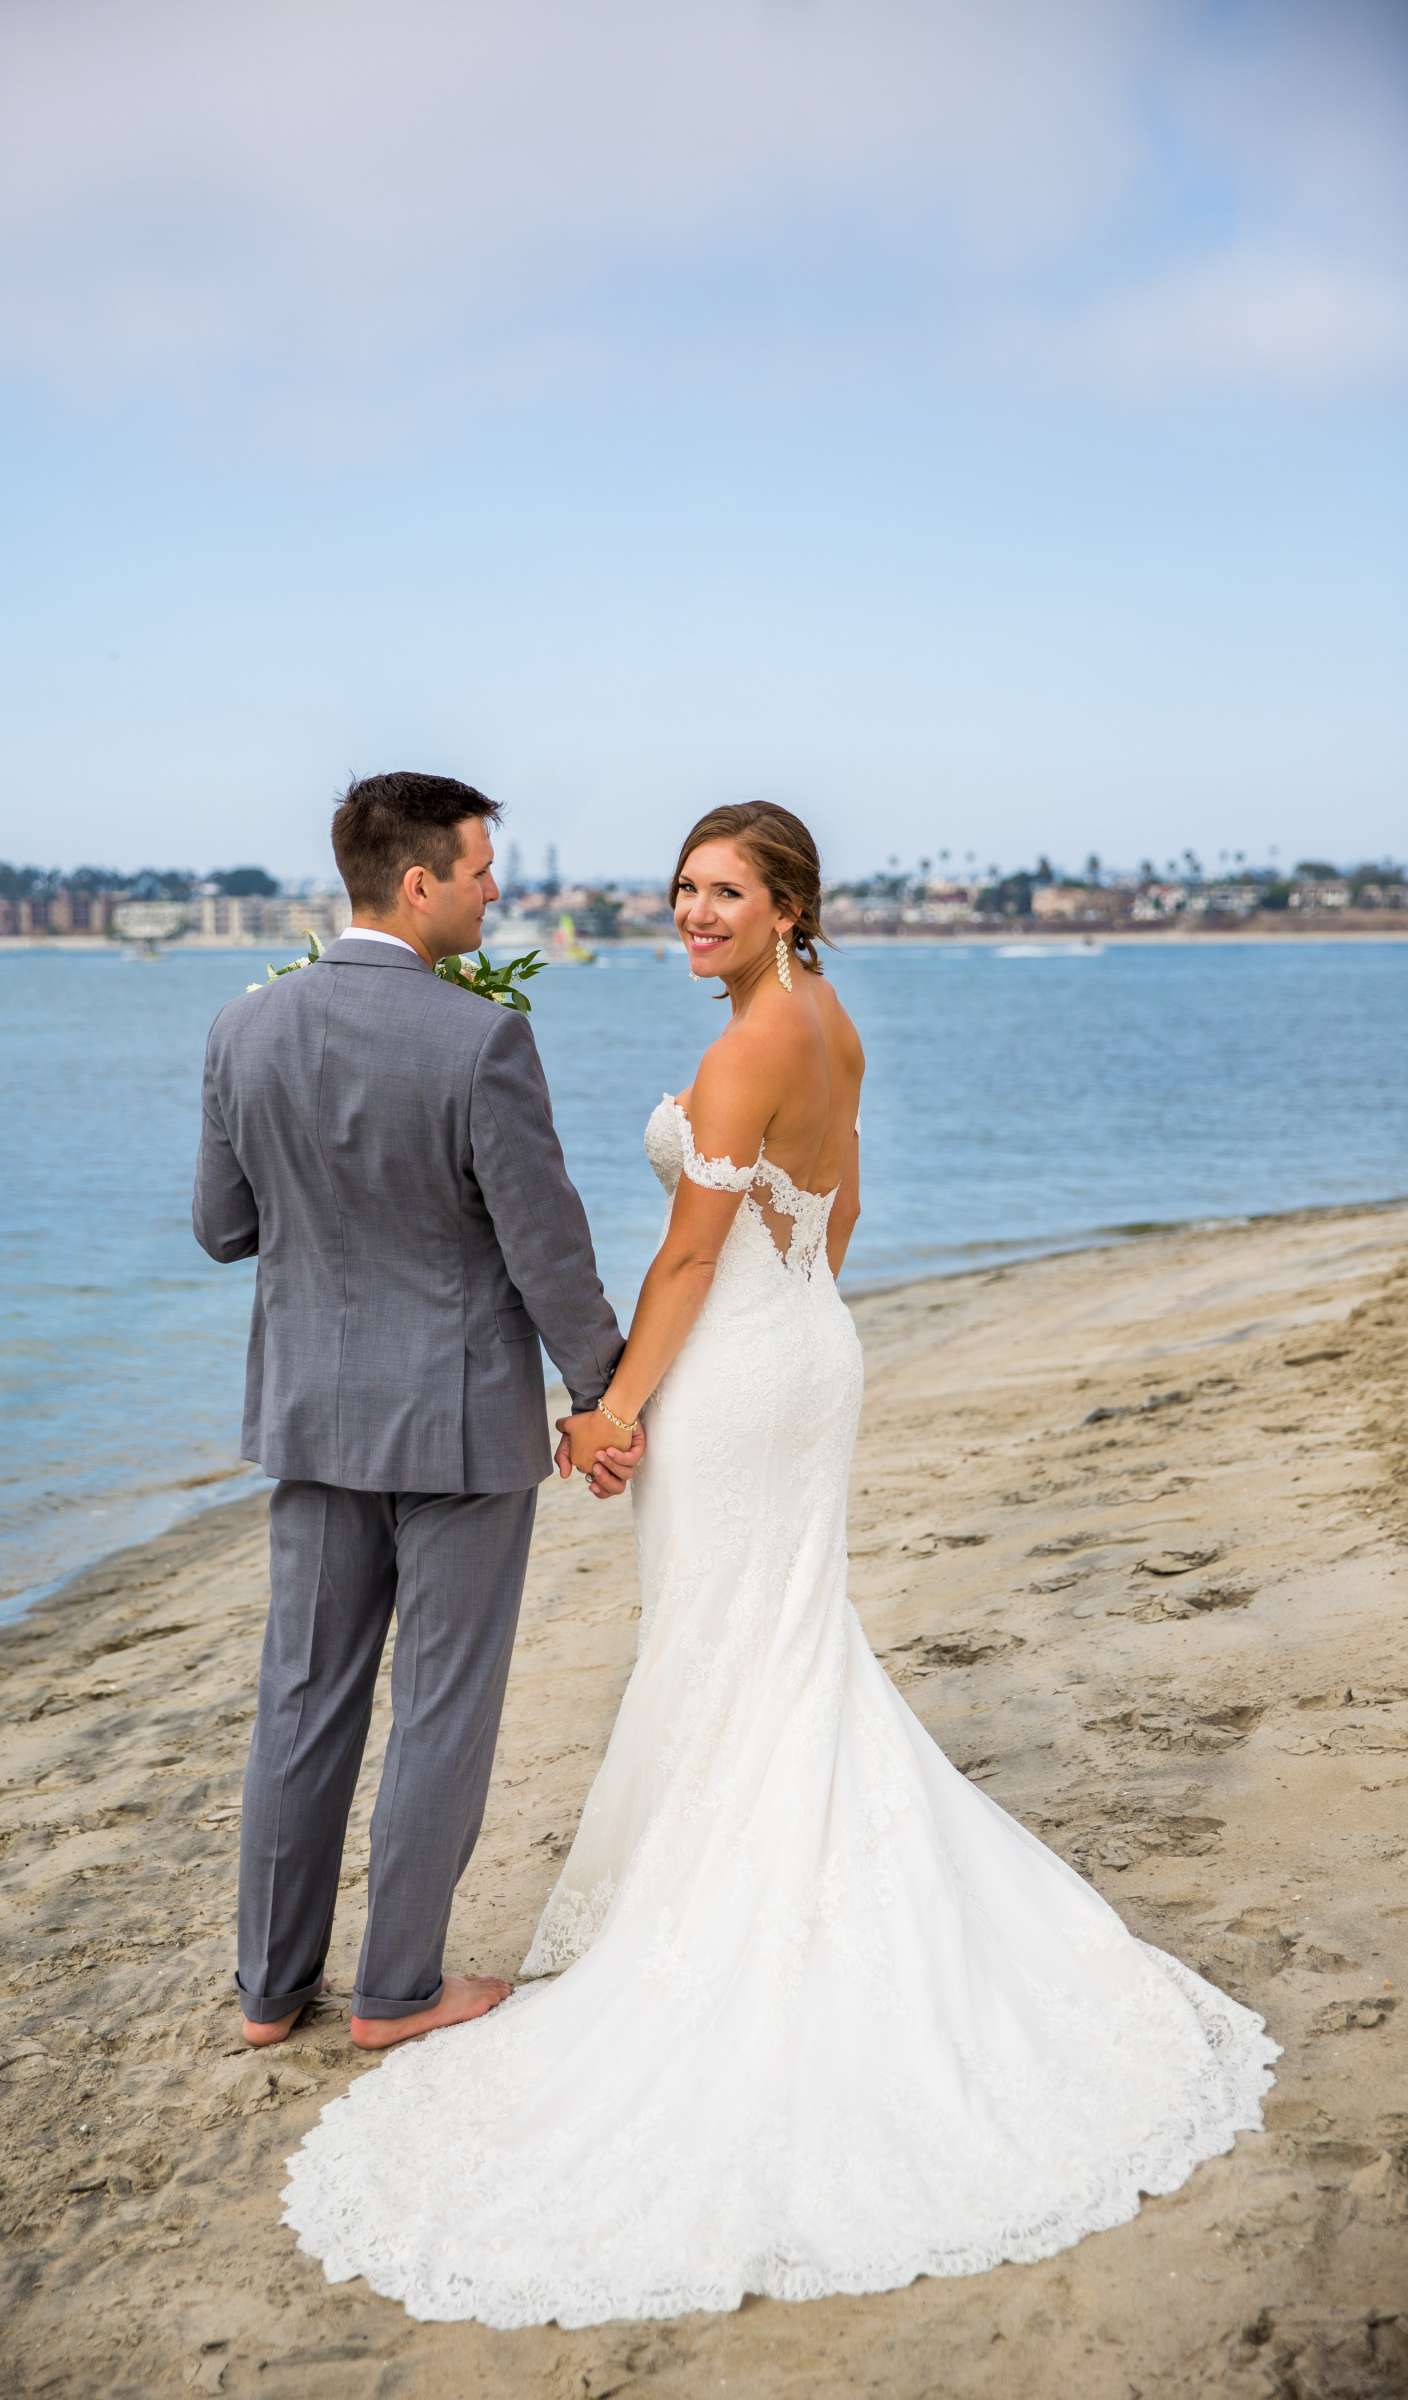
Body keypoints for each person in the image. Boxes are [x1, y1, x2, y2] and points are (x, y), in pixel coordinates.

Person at [279, 800, 1281, 2329]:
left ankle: (744, 1913)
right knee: (783, 1634)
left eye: (725, 893)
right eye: (685, 889)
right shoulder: (827, 1020)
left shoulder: (752, 1044)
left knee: (729, 1636)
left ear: (786, 903)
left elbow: (686, 1255)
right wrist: (789, 1318)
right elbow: (845, 1205)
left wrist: (616, 1403)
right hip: (808, 1343)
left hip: (740, 1371)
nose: (694, 913)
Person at [192, 770, 643, 2056]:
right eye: (483, 868)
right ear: (419, 883)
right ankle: (397, 1994)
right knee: (441, 1702)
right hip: (453, 1425)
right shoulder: (480, 1038)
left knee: (302, 1696)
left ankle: (269, 1995)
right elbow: (545, 1246)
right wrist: (603, 1394)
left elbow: (223, 1230)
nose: (498, 888)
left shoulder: (243, 1028)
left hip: (312, 1418)